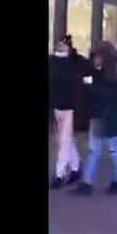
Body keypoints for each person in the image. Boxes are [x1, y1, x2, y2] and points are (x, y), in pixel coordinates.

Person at [74, 41, 117, 196]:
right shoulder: (107, 76)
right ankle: (96, 183)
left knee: (106, 151)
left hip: (105, 119)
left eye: (98, 57)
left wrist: (89, 84)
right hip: (105, 118)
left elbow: (98, 92)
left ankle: (102, 183)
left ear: (105, 58)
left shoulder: (106, 78)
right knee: (104, 151)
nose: (95, 59)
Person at [49, 36, 83, 189]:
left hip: (69, 108)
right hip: (58, 107)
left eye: (63, 45)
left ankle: (59, 174)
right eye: (59, 44)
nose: (60, 46)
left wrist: (74, 54)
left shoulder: (73, 63)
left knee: (63, 141)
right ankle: (76, 167)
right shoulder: (53, 61)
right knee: (64, 140)